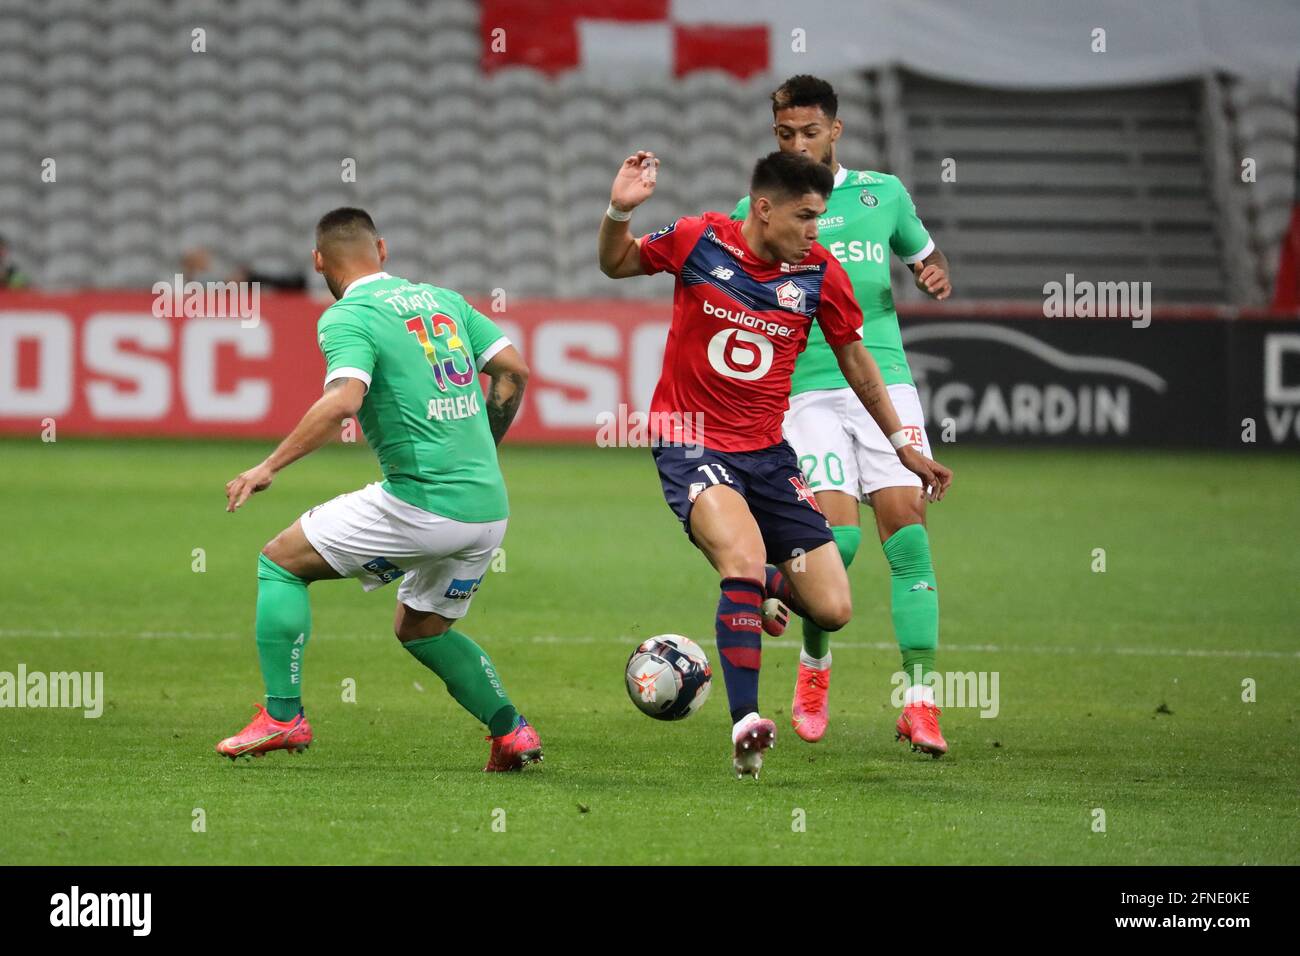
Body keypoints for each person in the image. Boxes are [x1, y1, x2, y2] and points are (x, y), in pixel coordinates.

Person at [599, 150, 952, 778]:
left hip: (767, 452)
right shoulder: (697, 239)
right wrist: (620, 210)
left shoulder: (819, 271)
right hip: (692, 442)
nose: (817, 230)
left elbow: (856, 361)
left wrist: (902, 445)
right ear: (764, 209)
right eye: (807, 217)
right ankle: (745, 725)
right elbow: (616, 260)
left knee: (834, 608)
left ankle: (762, 582)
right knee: (737, 557)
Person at [217, 207, 541, 772]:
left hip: (424, 505)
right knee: (422, 627)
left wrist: (268, 466)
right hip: (488, 509)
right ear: (383, 250)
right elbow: (513, 370)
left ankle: (283, 716)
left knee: (280, 564)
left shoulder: (348, 316)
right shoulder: (444, 299)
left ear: (318, 261)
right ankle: (511, 731)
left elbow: (344, 399)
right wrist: (483, 451)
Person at [732, 76, 955, 756]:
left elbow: (924, 252)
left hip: (884, 382)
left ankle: (919, 705)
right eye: (785, 134)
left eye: (809, 132)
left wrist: (933, 272)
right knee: (834, 539)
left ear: (835, 130)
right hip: (805, 391)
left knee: (909, 536)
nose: (798, 144)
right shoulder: (761, 207)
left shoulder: (882, 194)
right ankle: (815, 666)